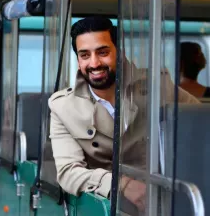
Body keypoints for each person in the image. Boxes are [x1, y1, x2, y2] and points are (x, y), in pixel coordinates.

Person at [48, 16, 199, 212]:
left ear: (120, 53)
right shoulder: (63, 107)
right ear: (78, 60)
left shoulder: (159, 88)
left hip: (166, 203)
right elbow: (69, 173)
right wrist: (123, 184)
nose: (94, 63)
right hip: (107, 206)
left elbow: (200, 124)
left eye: (103, 52)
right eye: (84, 55)